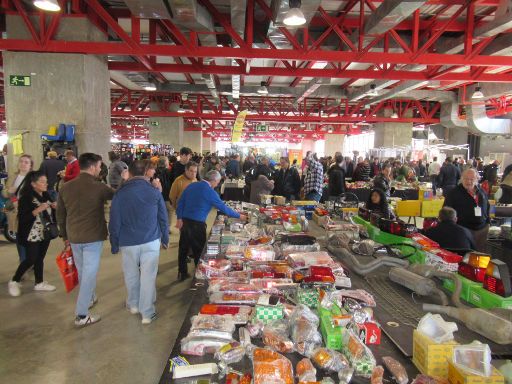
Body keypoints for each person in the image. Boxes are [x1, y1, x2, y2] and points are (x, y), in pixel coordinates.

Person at [57, 153, 117, 327]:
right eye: (99, 166)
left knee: (84, 271)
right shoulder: (99, 187)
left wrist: (65, 237)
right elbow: (117, 194)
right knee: (89, 275)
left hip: (74, 237)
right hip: (92, 237)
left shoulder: (65, 187)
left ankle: (90, 297)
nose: (100, 169)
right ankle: (81, 314)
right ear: (92, 167)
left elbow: (60, 215)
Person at [109, 160, 169, 325]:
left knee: (131, 274)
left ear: (130, 173)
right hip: (150, 240)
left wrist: (114, 243)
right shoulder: (154, 191)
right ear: (145, 173)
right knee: (148, 277)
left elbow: (114, 221)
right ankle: (147, 313)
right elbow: (163, 217)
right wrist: (165, 238)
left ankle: (133, 304)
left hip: (128, 242)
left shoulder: (120, 193)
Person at [176, 170, 247, 280]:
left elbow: (180, 202)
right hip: (197, 224)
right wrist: (239, 216)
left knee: (183, 249)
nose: (217, 184)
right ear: (213, 180)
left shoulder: (192, 185)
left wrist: (179, 218)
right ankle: (199, 275)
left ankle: (182, 273)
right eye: (217, 182)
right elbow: (223, 208)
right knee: (199, 251)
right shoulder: (210, 192)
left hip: (185, 222)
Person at [8, 171, 57, 297]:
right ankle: (14, 280)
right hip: (31, 233)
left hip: (45, 232)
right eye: (42, 181)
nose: (45, 184)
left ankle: (39, 283)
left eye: (46, 181)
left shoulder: (46, 194)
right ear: (33, 184)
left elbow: (51, 211)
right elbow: (23, 218)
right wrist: (37, 210)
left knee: (40, 258)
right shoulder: (26, 198)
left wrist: (54, 207)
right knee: (31, 259)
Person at [444, 169, 490, 252]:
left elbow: (488, 207)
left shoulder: (482, 192)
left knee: (479, 256)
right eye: (466, 178)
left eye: (471, 179)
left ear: (477, 179)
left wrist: (488, 221)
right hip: (463, 230)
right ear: (461, 179)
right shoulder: (453, 193)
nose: (468, 181)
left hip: (482, 230)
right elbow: (447, 211)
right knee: (466, 256)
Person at [5, 154, 34, 263]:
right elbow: (6, 192)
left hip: (30, 213)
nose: (23, 164)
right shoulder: (13, 176)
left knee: (30, 240)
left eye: (26, 162)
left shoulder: (33, 177)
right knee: (19, 240)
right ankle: (23, 262)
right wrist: (10, 193)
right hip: (15, 213)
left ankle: (30, 262)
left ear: (30, 165)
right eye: (21, 161)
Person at [155, 156, 173, 230]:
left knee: (159, 211)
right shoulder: (168, 171)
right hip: (166, 195)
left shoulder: (155, 171)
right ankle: (167, 227)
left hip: (157, 195)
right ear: (166, 163)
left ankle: (159, 226)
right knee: (169, 210)